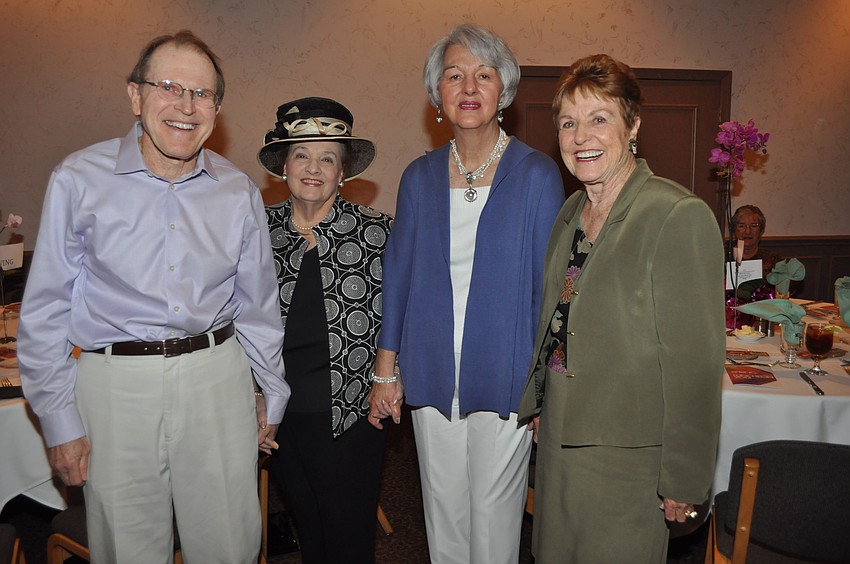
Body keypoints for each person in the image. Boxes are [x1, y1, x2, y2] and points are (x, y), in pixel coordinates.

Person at [17, 30, 288, 563]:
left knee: (230, 544)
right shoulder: (77, 179)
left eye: (202, 93)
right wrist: (59, 422)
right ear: (135, 96)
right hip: (114, 388)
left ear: (218, 108)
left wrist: (269, 393)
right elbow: (45, 310)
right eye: (168, 86)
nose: (186, 106)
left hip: (217, 381)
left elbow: (258, 306)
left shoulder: (238, 191)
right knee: (128, 548)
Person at [516, 53, 725, 563]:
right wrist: (542, 401)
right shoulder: (571, 211)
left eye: (598, 119)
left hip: (631, 462)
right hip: (562, 442)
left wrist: (684, 478)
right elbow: (559, 320)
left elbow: (695, 364)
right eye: (569, 122)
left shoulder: (676, 215)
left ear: (632, 125)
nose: (581, 135)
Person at [369, 24, 565, 564]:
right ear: (439, 94)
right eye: (454, 75)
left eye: (484, 73)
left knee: (494, 524)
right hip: (432, 369)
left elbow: (550, 293)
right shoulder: (418, 177)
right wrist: (386, 371)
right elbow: (399, 274)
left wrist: (547, 385)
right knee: (443, 518)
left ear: (504, 90)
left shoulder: (537, 175)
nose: (469, 85)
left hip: (507, 373)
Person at [258, 97, 393, 564]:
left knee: (348, 535)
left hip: (350, 412)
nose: (313, 168)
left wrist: (390, 378)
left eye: (327, 157)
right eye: (302, 155)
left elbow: (405, 313)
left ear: (343, 171)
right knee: (308, 528)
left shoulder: (379, 233)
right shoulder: (259, 232)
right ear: (284, 165)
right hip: (280, 413)